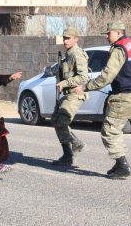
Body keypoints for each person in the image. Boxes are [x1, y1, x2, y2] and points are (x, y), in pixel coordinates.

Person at [74, 20, 131, 179]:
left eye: (109, 33)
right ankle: (119, 163)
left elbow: (106, 76)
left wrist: (85, 87)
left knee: (109, 131)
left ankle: (123, 166)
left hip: (124, 97)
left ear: (119, 33)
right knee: (116, 130)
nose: (107, 36)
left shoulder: (119, 50)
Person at [45, 27, 89, 166]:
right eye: (64, 38)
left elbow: (83, 77)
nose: (65, 40)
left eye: (68, 38)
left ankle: (73, 148)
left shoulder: (77, 54)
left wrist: (65, 82)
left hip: (75, 94)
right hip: (66, 94)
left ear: (76, 39)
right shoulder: (67, 55)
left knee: (61, 121)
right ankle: (69, 151)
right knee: (56, 120)